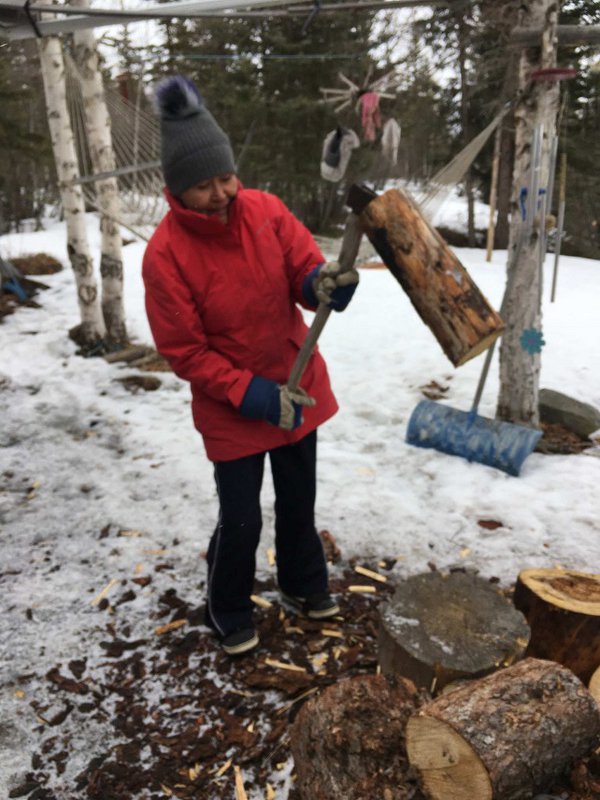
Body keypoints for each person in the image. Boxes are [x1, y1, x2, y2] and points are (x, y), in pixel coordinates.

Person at [142, 76, 359, 656]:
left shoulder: (264, 210)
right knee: (241, 517)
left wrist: (322, 285)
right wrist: (250, 393)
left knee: (298, 500)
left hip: (295, 387)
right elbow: (185, 351)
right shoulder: (165, 256)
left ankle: (302, 584)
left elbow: (303, 269)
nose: (220, 193)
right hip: (235, 406)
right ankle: (228, 606)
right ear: (176, 190)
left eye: (225, 178)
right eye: (203, 186)